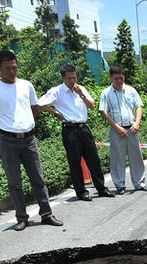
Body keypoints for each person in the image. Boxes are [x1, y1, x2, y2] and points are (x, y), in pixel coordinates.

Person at [0, 49, 63, 231]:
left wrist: (28, 124)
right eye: (8, 68)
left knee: (38, 178)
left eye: (15, 67)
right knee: (15, 182)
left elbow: (35, 107)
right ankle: (21, 218)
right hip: (8, 140)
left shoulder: (26, 85)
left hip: (29, 139)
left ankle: (47, 214)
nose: (12, 71)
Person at [38, 64, 115, 201]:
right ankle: (81, 192)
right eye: (69, 78)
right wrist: (54, 112)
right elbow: (39, 104)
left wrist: (81, 94)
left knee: (94, 159)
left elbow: (91, 106)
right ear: (62, 78)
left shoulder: (81, 89)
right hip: (69, 129)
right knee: (74, 161)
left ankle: (101, 188)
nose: (73, 81)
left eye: (74, 77)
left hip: (84, 128)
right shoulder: (56, 91)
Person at [98, 66, 147, 193]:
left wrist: (137, 123)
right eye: (116, 79)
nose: (119, 81)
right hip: (117, 130)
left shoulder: (131, 90)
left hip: (132, 129)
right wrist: (117, 127)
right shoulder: (106, 93)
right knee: (117, 158)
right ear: (111, 78)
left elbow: (139, 106)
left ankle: (139, 183)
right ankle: (120, 185)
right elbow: (104, 111)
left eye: (121, 78)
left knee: (136, 156)